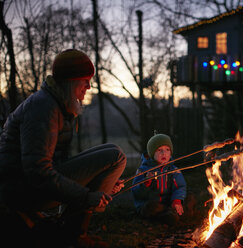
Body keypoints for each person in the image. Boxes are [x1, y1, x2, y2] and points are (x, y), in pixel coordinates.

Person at [0, 49, 126, 248]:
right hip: (22, 192)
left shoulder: (56, 106)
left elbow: (56, 163)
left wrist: (99, 179)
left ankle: (69, 230)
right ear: (71, 81)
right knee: (115, 156)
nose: (89, 86)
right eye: (85, 80)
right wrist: (87, 196)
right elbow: (38, 172)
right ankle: (71, 234)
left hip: (25, 186)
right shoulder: (44, 109)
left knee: (112, 151)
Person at [131, 133, 188, 225]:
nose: (164, 153)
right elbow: (136, 192)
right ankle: (169, 216)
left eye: (167, 149)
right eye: (159, 150)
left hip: (169, 202)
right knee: (152, 207)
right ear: (152, 153)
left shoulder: (173, 170)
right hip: (152, 203)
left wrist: (177, 200)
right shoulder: (143, 170)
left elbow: (180, 187)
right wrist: (146, 183)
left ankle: (175, 212)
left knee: (189, 198)